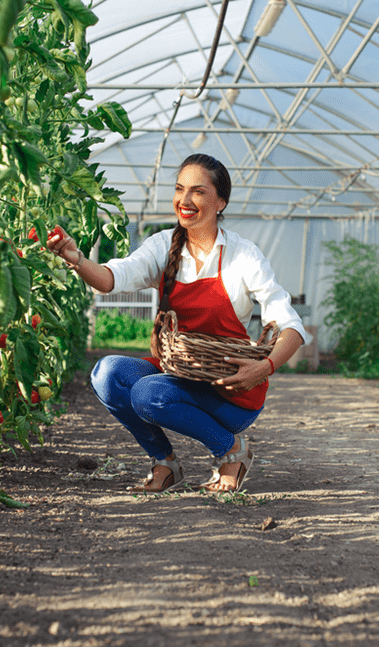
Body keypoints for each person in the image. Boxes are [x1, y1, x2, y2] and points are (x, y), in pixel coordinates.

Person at [48, 154, 306, 493]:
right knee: (107, 373)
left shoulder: (243, 256)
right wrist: (76, 258)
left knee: (147, 393)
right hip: (179, 374)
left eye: (198, 191)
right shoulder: (163, 246)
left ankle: (232, 450)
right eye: (179, 189)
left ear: (220, 201)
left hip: (230, 390)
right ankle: (165, 463)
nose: (184, 201)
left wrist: (265, 366)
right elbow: (113, 278)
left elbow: (291, 325)